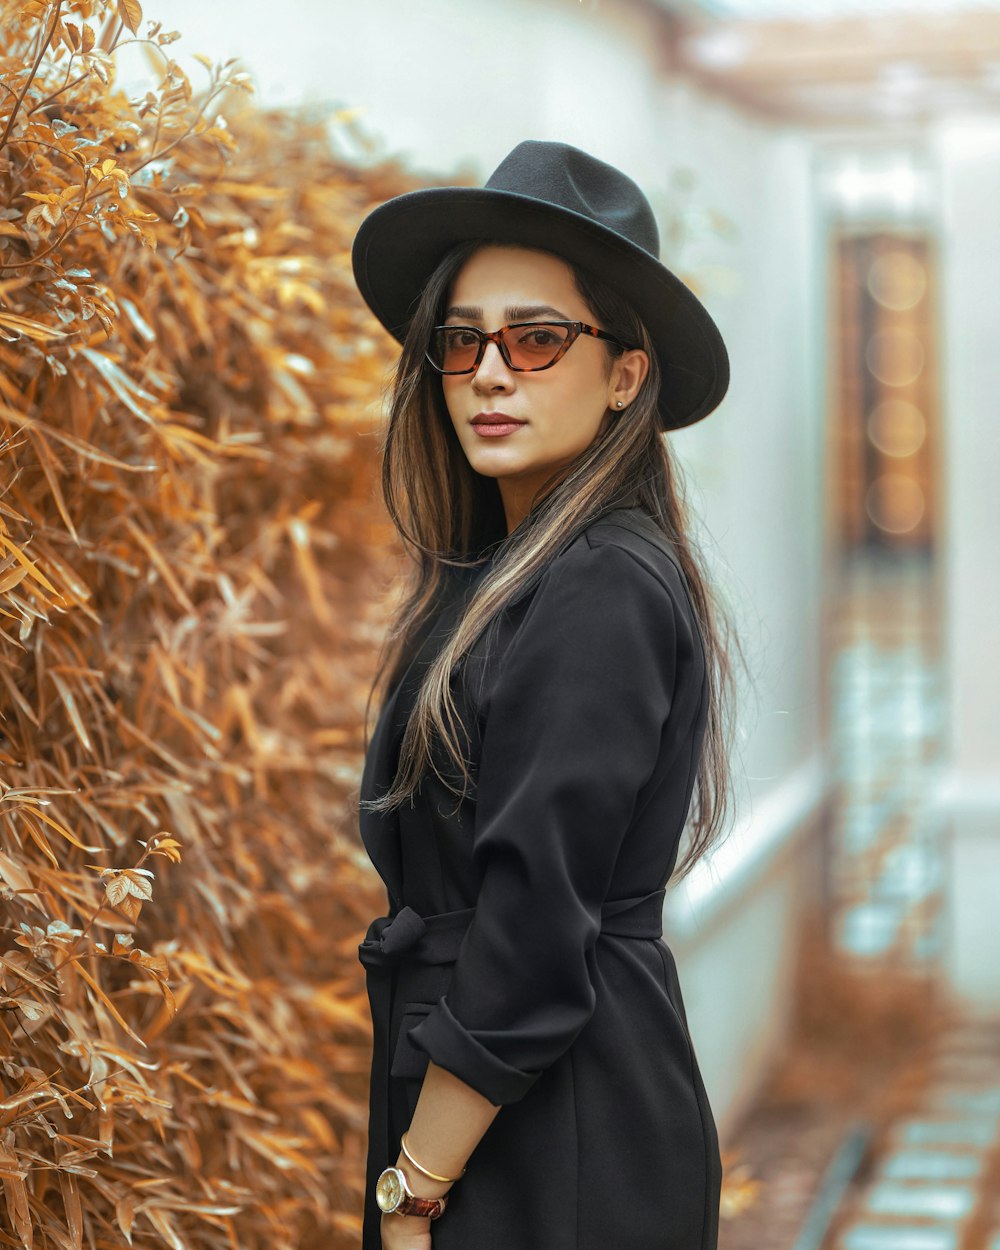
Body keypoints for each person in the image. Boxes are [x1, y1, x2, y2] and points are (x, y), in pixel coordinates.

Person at [351, 139, 737, 1250]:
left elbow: (530, 929)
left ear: (626, 372)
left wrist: (414, 1189)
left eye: (536, 336)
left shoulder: (601, 582)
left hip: (554, 1134)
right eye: (460, 339)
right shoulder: (504, 576)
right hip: (500, 1114)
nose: (488, 370)